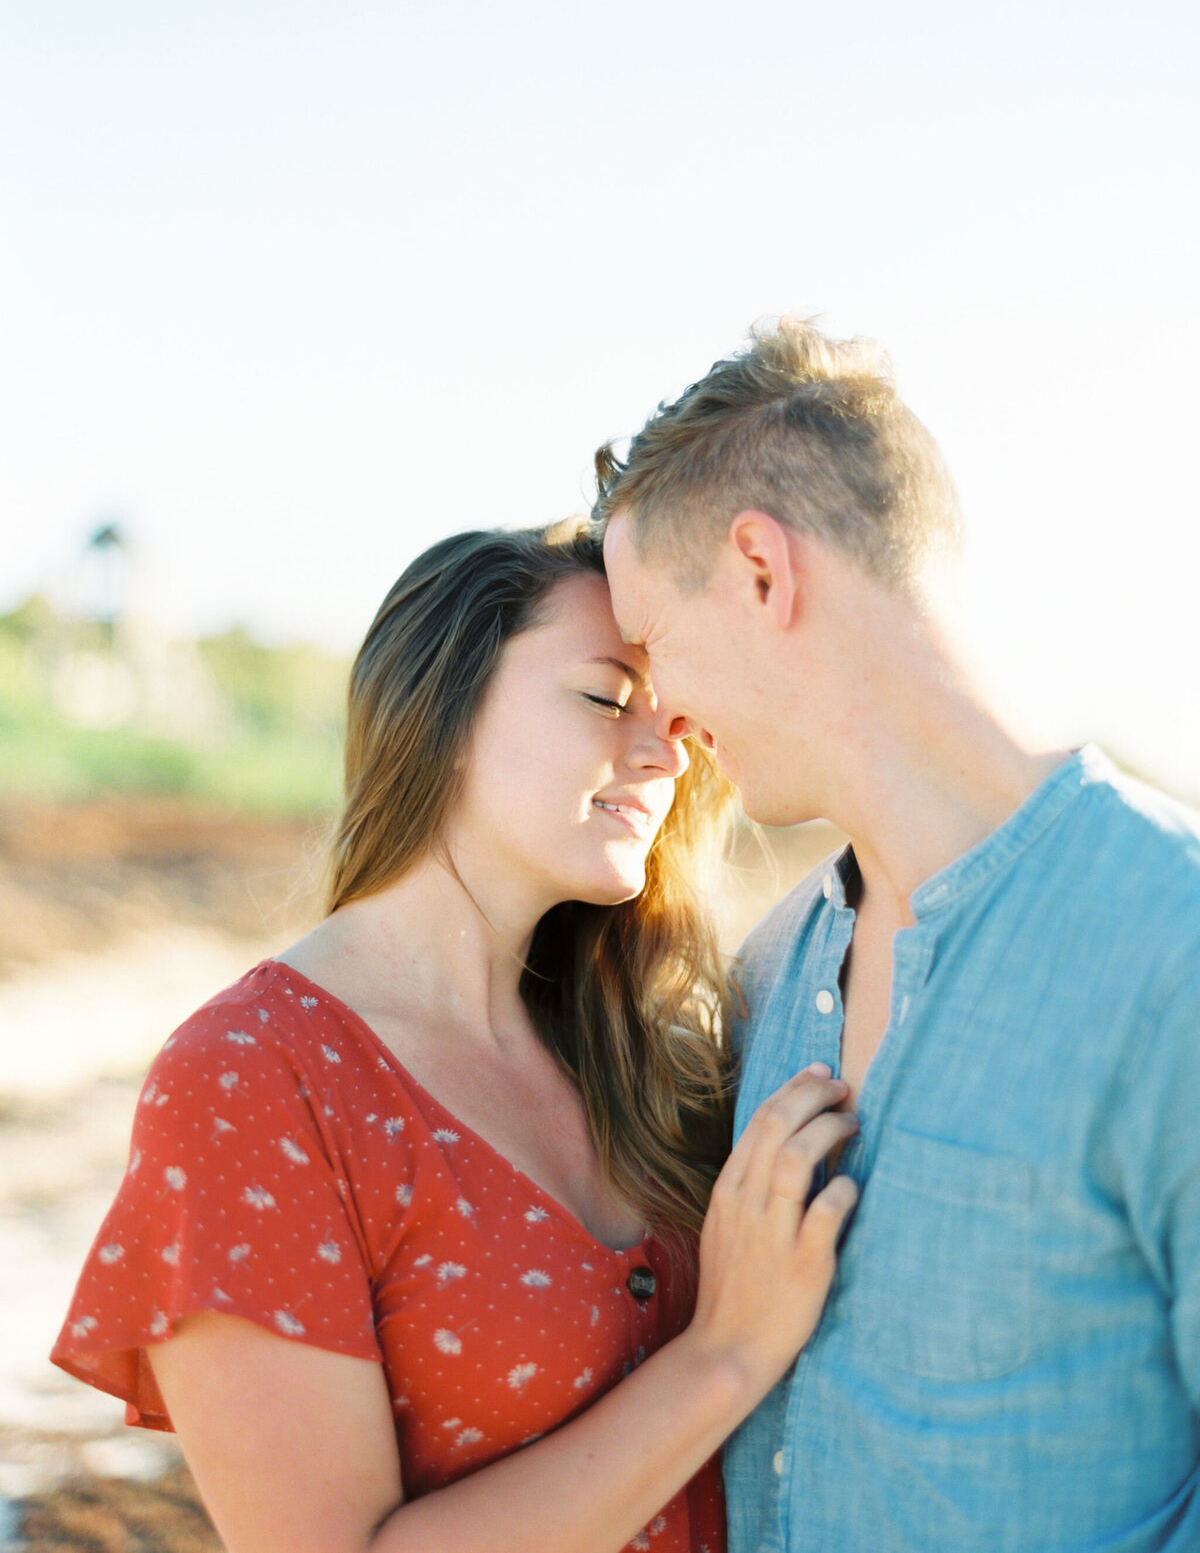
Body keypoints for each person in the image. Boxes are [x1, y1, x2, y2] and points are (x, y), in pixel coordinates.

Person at [52, 519, 859, 1553]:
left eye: (679, 720)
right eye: (608, 697)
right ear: (443, 710)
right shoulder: (254, 1080)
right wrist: (727, 1353)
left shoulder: (656, 1051)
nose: (662, 752)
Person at [595, 318, 1200, 1553]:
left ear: (763, 571)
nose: (658, 713)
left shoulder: (1172, 945)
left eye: (651, 643)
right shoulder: (771, 972)